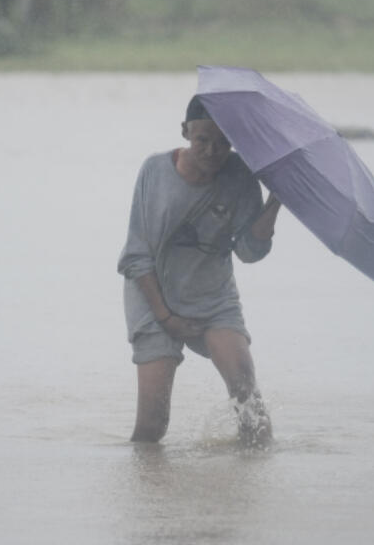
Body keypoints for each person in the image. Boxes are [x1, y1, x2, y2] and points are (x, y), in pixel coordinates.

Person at [117, 95, 282, 446]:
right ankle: (147, 497)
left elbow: (249, 252)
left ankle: (249, 490)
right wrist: (165, 316)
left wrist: (276, 202)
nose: (211, 151)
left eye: (223, 143)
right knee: (152, 426)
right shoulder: (155, 171)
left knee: (251, 410)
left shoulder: (240, 176)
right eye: (202, 140)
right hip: (152, 295)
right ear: (185, 133)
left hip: (213, 298)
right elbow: (135, 256)